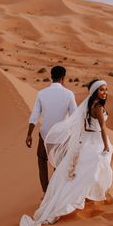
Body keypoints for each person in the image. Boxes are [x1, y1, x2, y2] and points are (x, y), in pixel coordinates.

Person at [20, 79, 113, 226]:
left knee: (88, 168)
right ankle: (93, 193)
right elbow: (102, 128)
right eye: (102, 89)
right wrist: (105, 145)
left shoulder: (89, 106)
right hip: (95, 140)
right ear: (95, 91)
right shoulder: (98, 108)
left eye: (106, 89)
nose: (105, 92)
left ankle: (93, 192)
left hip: (88, 139)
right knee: (96, 165)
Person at [26, 65, 77, 195]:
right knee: (58, 164)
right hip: (62, 136)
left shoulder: (41, 93)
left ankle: (45, 190)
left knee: (42, 160)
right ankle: (54, 192)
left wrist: (29, 135)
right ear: (63, 78)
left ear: (51, 77)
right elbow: (75, 116)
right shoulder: (68, 94)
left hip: (45, 135)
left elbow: (34, 116)